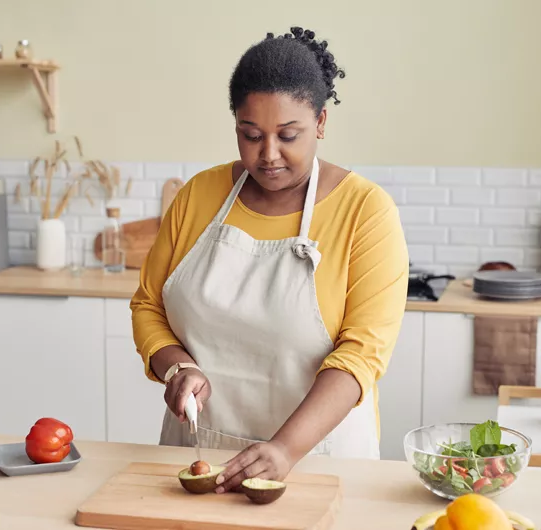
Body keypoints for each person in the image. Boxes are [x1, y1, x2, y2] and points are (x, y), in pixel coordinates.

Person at [130, 26, 409, 494]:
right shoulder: (199, 195)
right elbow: (148, 306)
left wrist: (285, 448)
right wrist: (176, 367)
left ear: (321, 123)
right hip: (198, 454)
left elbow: (361, 356)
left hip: (317, 462)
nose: (268, 155)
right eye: (251, 134)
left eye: (289, 135)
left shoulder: (365, 211)